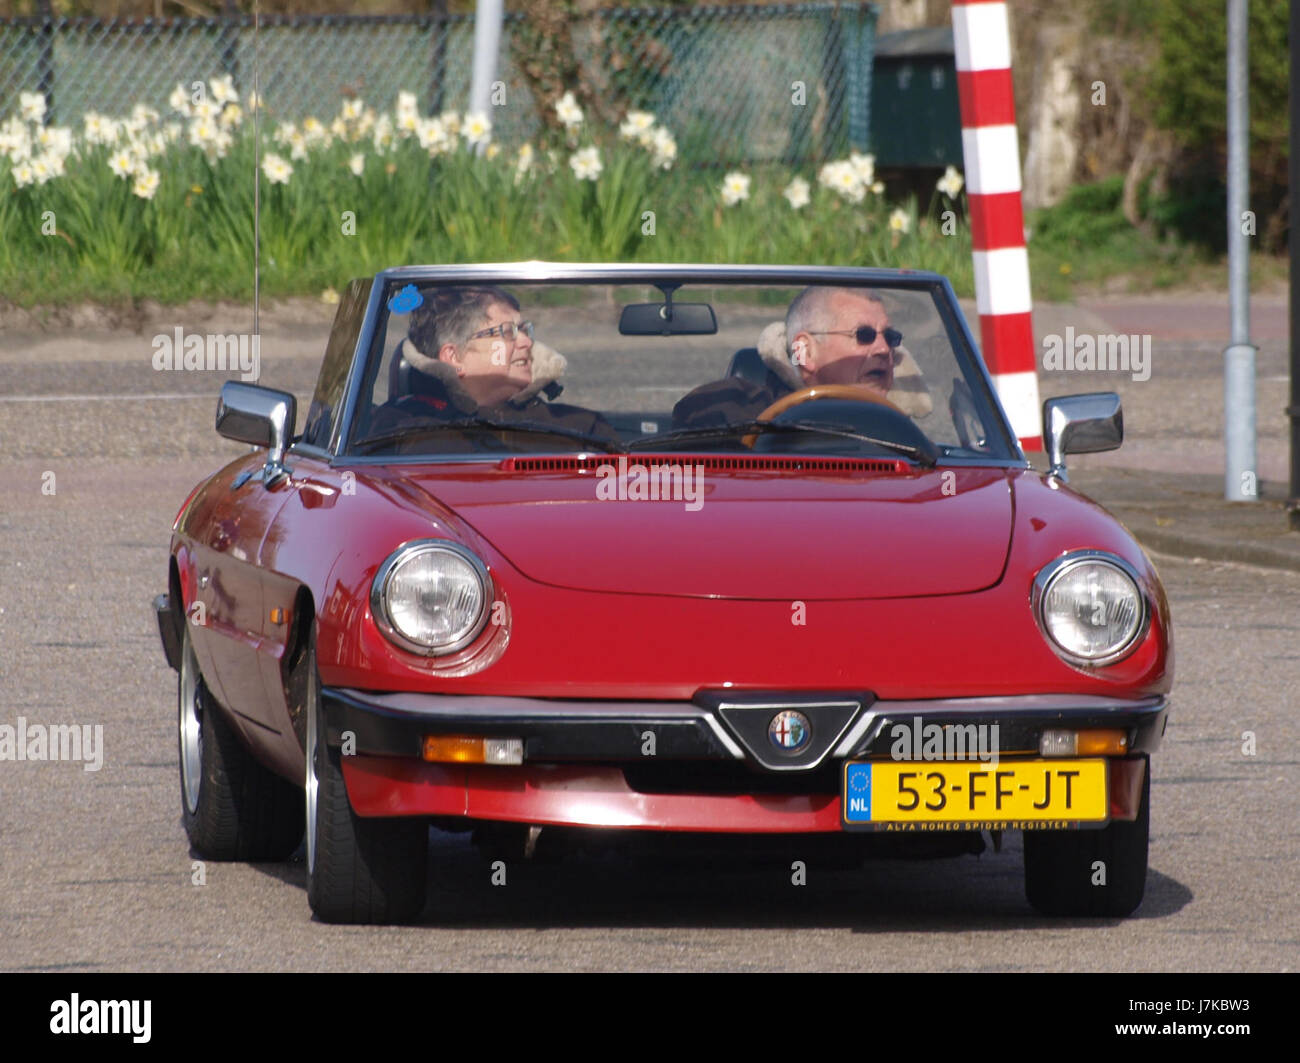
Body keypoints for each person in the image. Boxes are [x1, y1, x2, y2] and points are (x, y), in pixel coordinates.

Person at [363, 285, 619, 449]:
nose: (527, 341)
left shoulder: (580, 428)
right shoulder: (399, 432)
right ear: (454, 357)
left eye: (524, 329)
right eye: (508, 332)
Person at [672, 285, 932, 430]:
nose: (884, 349)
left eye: (890, 337)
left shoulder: (904, 435)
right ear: (805, 352)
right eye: (864, 335)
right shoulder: (735, 411)